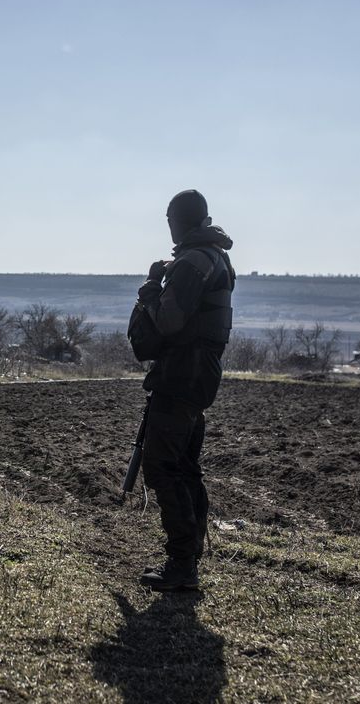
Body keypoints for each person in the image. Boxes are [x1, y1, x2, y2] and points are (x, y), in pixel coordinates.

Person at [133, 190, 235, 590]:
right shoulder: (215, 256)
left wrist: (150, 287)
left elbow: (169, 321)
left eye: (170, 220)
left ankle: (182, 564)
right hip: (199, 374)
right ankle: (188, 554)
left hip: (182, 374)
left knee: (163, 466)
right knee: (185, 466)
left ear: (180, 221)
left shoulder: (193, 261)